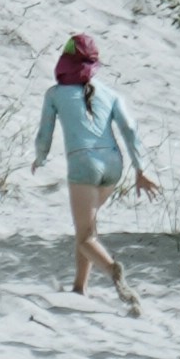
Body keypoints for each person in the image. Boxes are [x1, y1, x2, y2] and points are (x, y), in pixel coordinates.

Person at [29, 31, 157, 305]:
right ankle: (79, 286)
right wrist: (140, 170)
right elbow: (130, 129)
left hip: (83, 164)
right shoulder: (110, 94)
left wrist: (39, 159)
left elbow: (45, 134)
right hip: (114, 164)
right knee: (88, 230)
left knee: (86, 235)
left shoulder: (54, 94)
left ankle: (114, 271)